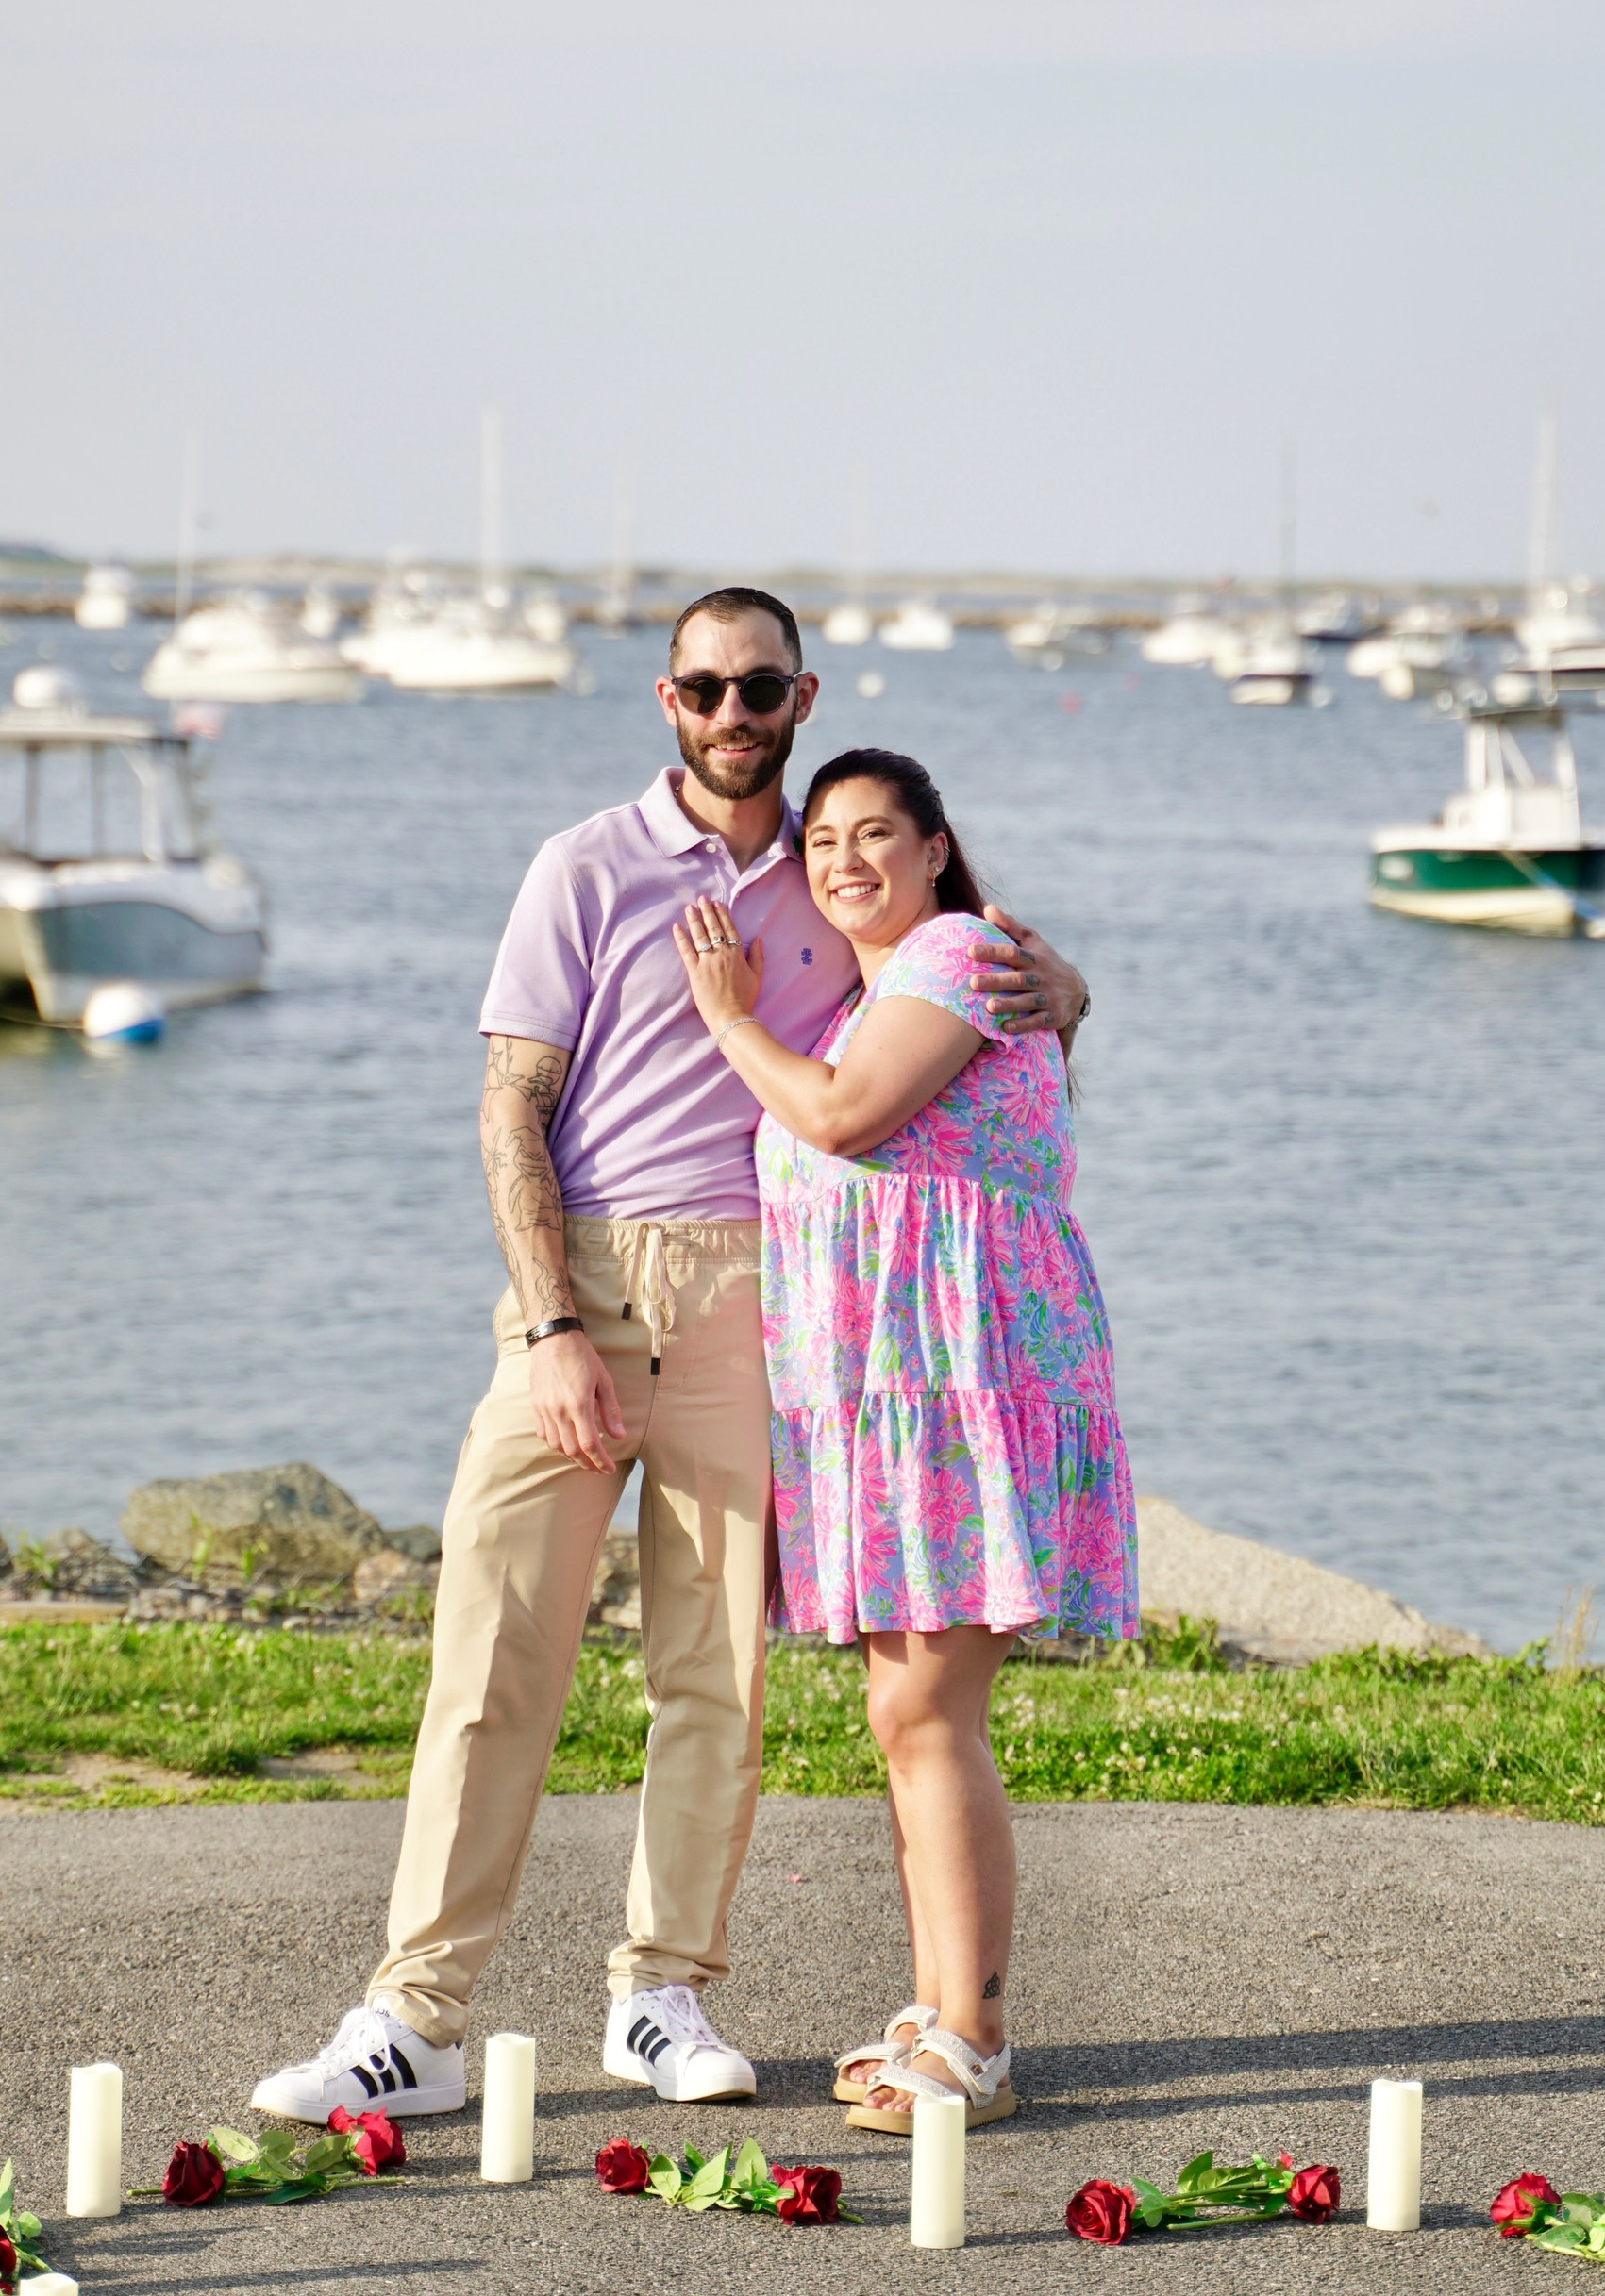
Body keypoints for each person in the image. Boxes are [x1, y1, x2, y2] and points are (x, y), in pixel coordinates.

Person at [250, 592, 1091, 2123]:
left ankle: (662, 1991)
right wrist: (552, 1320)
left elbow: (969, 1006)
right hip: (582, 1278)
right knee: (494, 1656)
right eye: (704, 683)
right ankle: (413, 2017)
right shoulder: (585, 866)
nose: (732, 706)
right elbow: (512, 1103)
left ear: (799, 692)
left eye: (760, 683)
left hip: (756, 1298)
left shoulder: (842, 891)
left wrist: (1073, 989)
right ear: (666, 696)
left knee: (715, 1672)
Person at [671, 743, 1136, 2133]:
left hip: (959, 1382)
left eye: (877, 832)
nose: (844, 860)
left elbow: (843, 1115)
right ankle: (940, 2008)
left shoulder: (948, 953)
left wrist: (724, 1016)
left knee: (927, 1710)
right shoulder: (907, 982)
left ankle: (977, 2032)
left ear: (938, 847)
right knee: (905, 1712)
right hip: (890, 1393)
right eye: (823, 841)